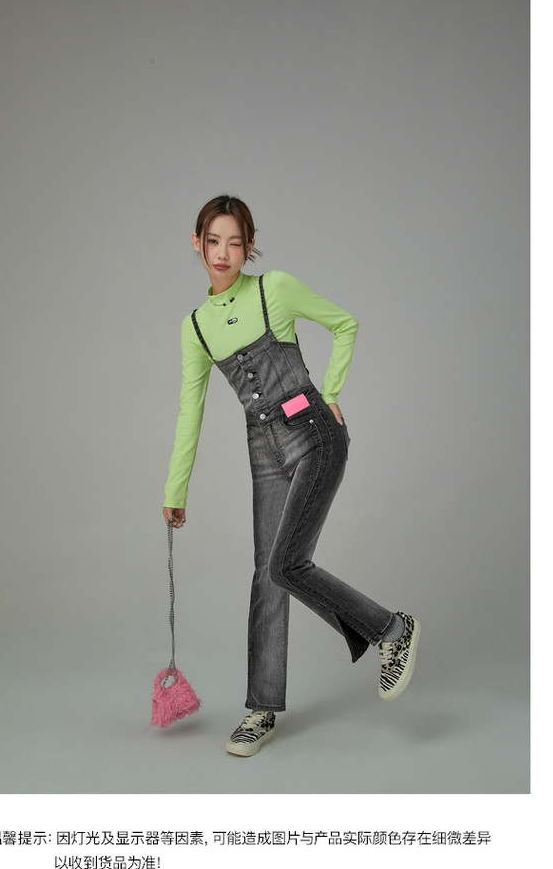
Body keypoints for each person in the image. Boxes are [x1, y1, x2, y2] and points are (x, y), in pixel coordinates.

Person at [162, 195, 420, 756]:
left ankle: (392, 630)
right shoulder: (196, 327)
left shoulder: (273, 289)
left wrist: (331, 393)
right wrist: (175, 489)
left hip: (315, 435)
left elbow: (345, 324)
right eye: (213, 241)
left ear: (250, 246)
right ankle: (260, 711)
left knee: (286, 564)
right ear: (197, 244)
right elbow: (190, 410)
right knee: (268, 575)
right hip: (263, 450)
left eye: (235, 242)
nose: (223, 253)